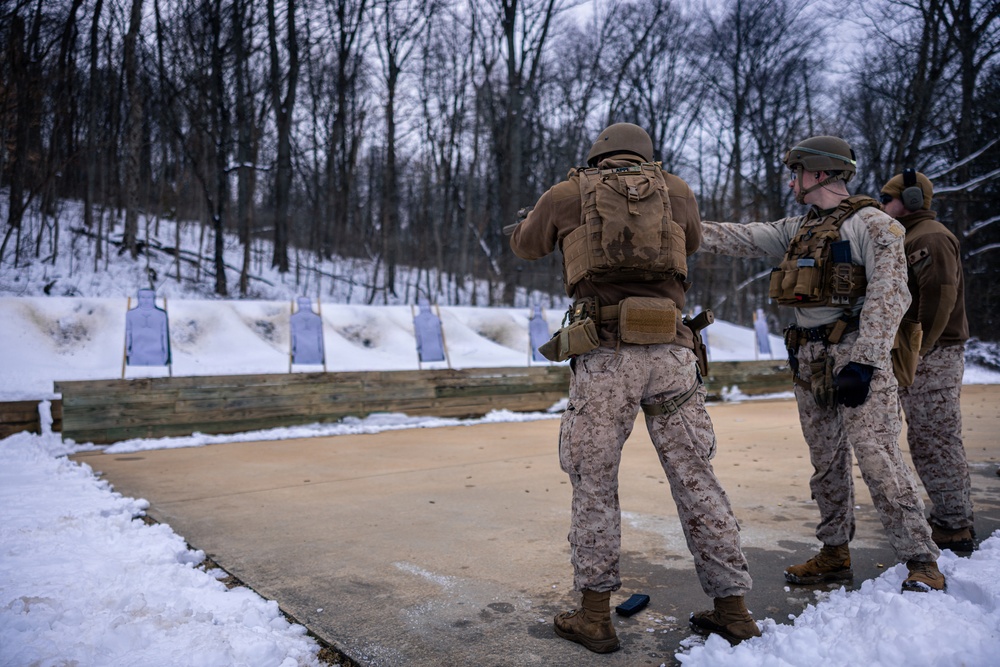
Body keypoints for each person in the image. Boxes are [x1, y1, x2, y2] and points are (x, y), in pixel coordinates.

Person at [509, 122, 760, 652]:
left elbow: (526, 247)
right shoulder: (678, 190)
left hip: (604, 354)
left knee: (594, 481)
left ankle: (594, 616)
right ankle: (733, 610)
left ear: (597, 155)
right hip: (672, 351)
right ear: (648, 155)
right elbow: (690, 241)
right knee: (696, 479)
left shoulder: (566, 193)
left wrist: (535, 222)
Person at [697, 136, 946, 593]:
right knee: (825, 462)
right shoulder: (799, 228)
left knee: (880, 460)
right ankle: (834, 552)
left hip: (854, 355)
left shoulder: (873, 226)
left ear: (817, 173)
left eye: (796, 173)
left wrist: (867, 363)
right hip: (808, 358)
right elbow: (741, 237)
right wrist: (677, 225)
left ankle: (921, 560)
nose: (792, 182)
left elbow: (891, 296)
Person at [880, 170, 974, 552]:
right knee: (927, 436)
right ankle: (950, 517)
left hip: (934, 352)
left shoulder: (929, 237)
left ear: (914, 200)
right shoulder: (910, 236)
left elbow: (940, 298)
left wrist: (921, 348)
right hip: (923, 350)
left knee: (935, 437)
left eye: (887, 198)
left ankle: (954, 525)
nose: (882, 204)